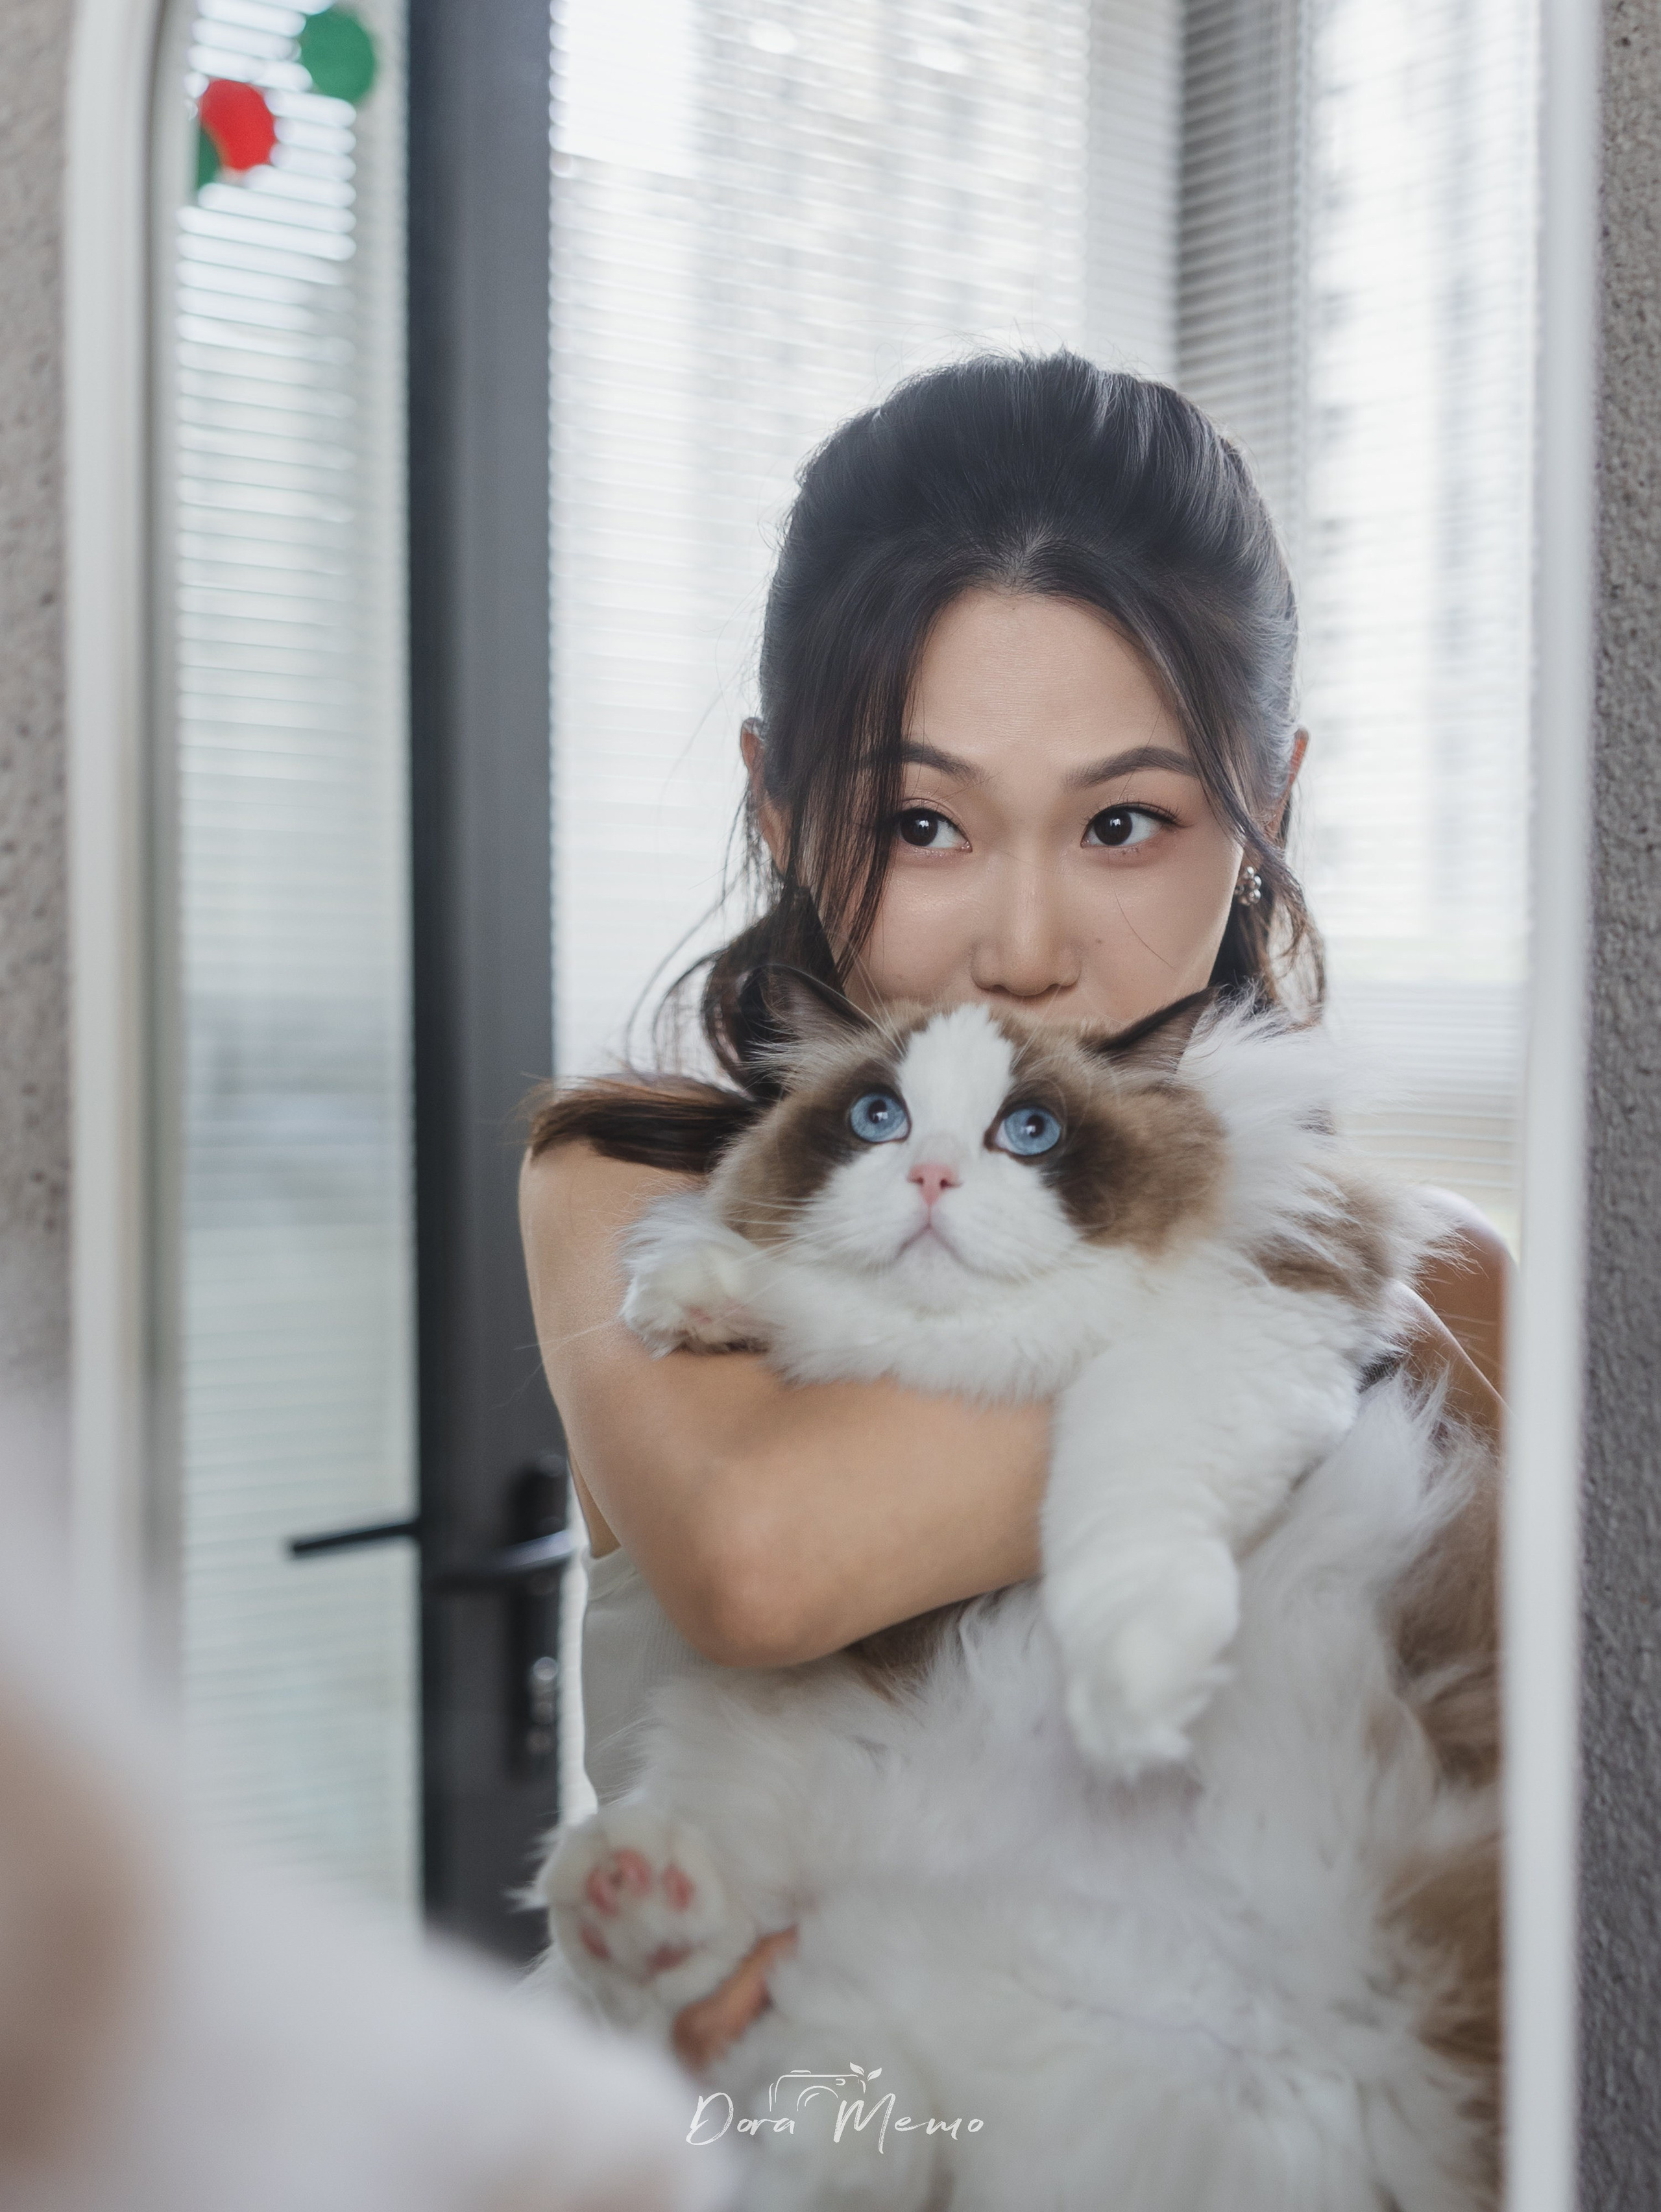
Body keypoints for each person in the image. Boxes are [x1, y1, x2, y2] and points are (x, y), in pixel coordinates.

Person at [518, 352, 1507, 2074]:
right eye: (924, 821)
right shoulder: (646, 1177)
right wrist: (1305, 1279)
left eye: (1125, 821)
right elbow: (769, 1563)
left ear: (1267, 801)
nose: (1028, 944)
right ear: (775, 802)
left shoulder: (1455, 1287)